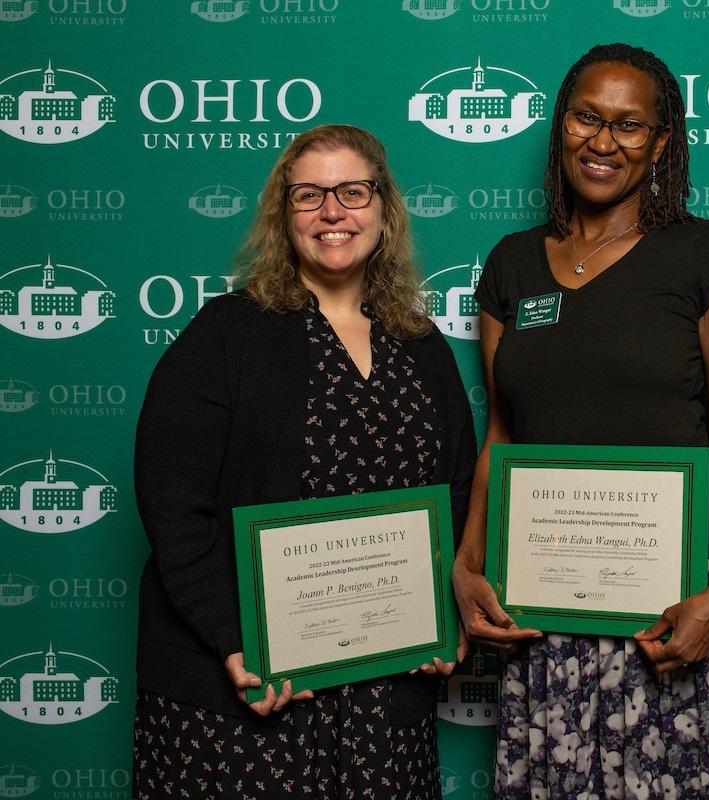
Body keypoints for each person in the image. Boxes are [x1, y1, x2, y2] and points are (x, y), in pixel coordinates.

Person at [451, 43, 709, 799]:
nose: (603, 141)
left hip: (672, 623)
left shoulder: (707, 255)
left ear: (662, 143)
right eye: (587, 117)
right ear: (561, 124)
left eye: (630, 126)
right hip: (544, 625)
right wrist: (465, 566)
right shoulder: (511, 265)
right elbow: (503, 435)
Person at [132, 124, 476, 799]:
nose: (331, 213)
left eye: (352, 192)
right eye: (308, 196)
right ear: (281, 215)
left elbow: (457, 490)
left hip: (385, 694)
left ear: (384, 208)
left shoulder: (422, 342)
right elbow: (173, 501)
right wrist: (235, 639)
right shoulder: (227, 332)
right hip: (252, 690)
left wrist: (446, 611)